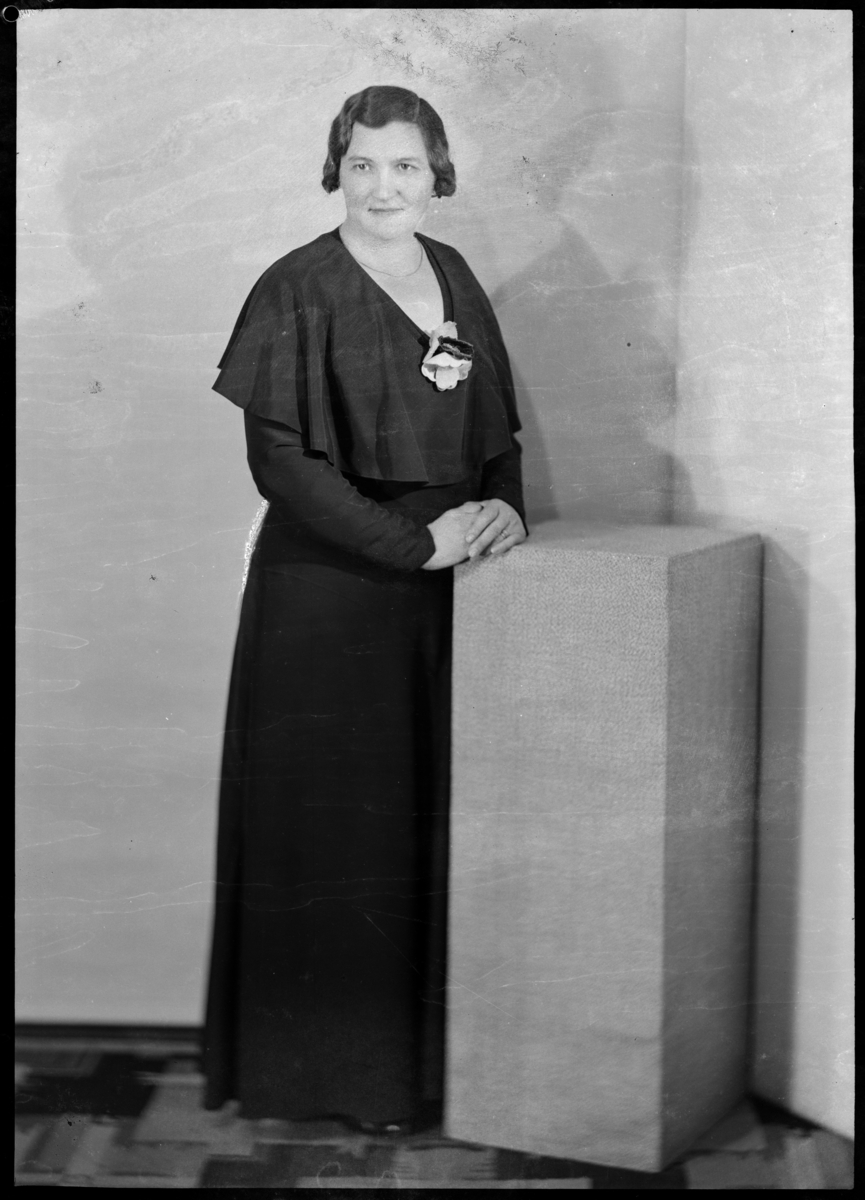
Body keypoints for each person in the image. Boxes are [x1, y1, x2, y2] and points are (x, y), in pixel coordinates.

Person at [202, 84, 527, 1135]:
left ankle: (416, 1079)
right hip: (332, 597)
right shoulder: (295, 286)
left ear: (437, 174)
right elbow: (281, 463)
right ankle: (329, 1083)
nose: (384, 187)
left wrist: (504, 509)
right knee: (337, 838)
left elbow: (496, 429)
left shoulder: (455, 274)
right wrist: (411, 544)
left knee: (422, 827)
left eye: (405, 166)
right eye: (362, 165)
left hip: (444, 593)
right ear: (335, 172)